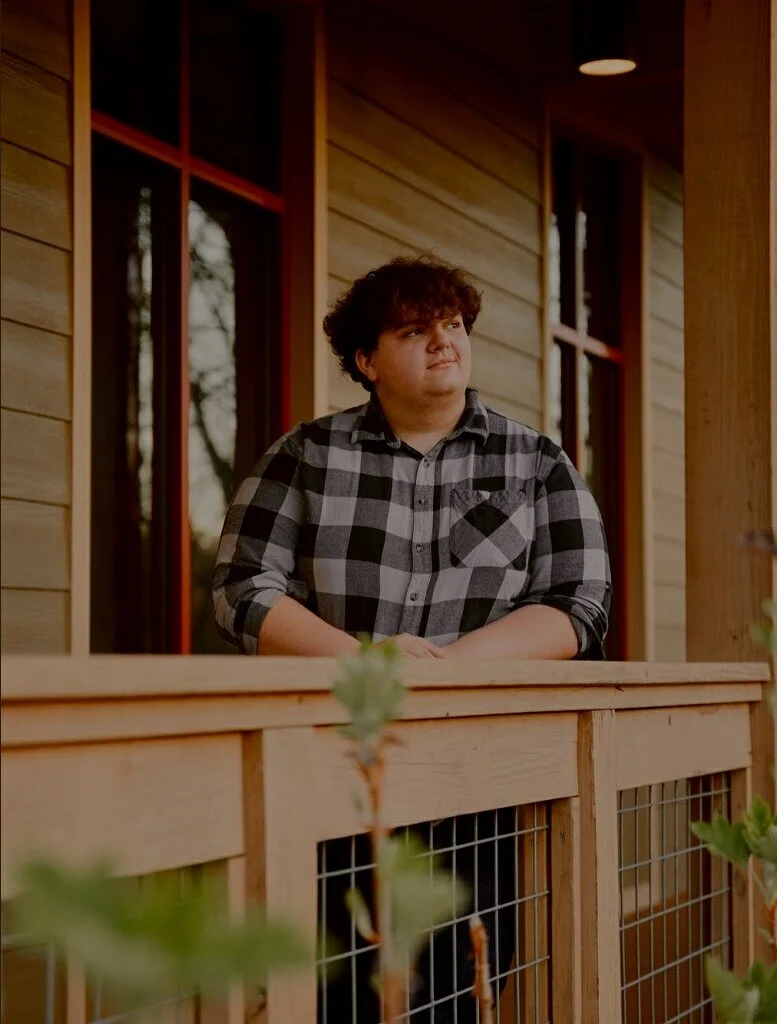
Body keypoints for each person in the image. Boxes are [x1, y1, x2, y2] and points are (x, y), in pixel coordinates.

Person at [213, 256, 612, 1021]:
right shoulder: (306, 455)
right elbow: (242, 586)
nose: (442, 342)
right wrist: (368, 662)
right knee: (337, 984)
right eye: (413, 331)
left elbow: (579, 602)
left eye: (452, 325)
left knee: (466, 983)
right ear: (366, 360)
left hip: (483, 776)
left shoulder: (534, 461)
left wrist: (448, 666)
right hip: (337, 772)